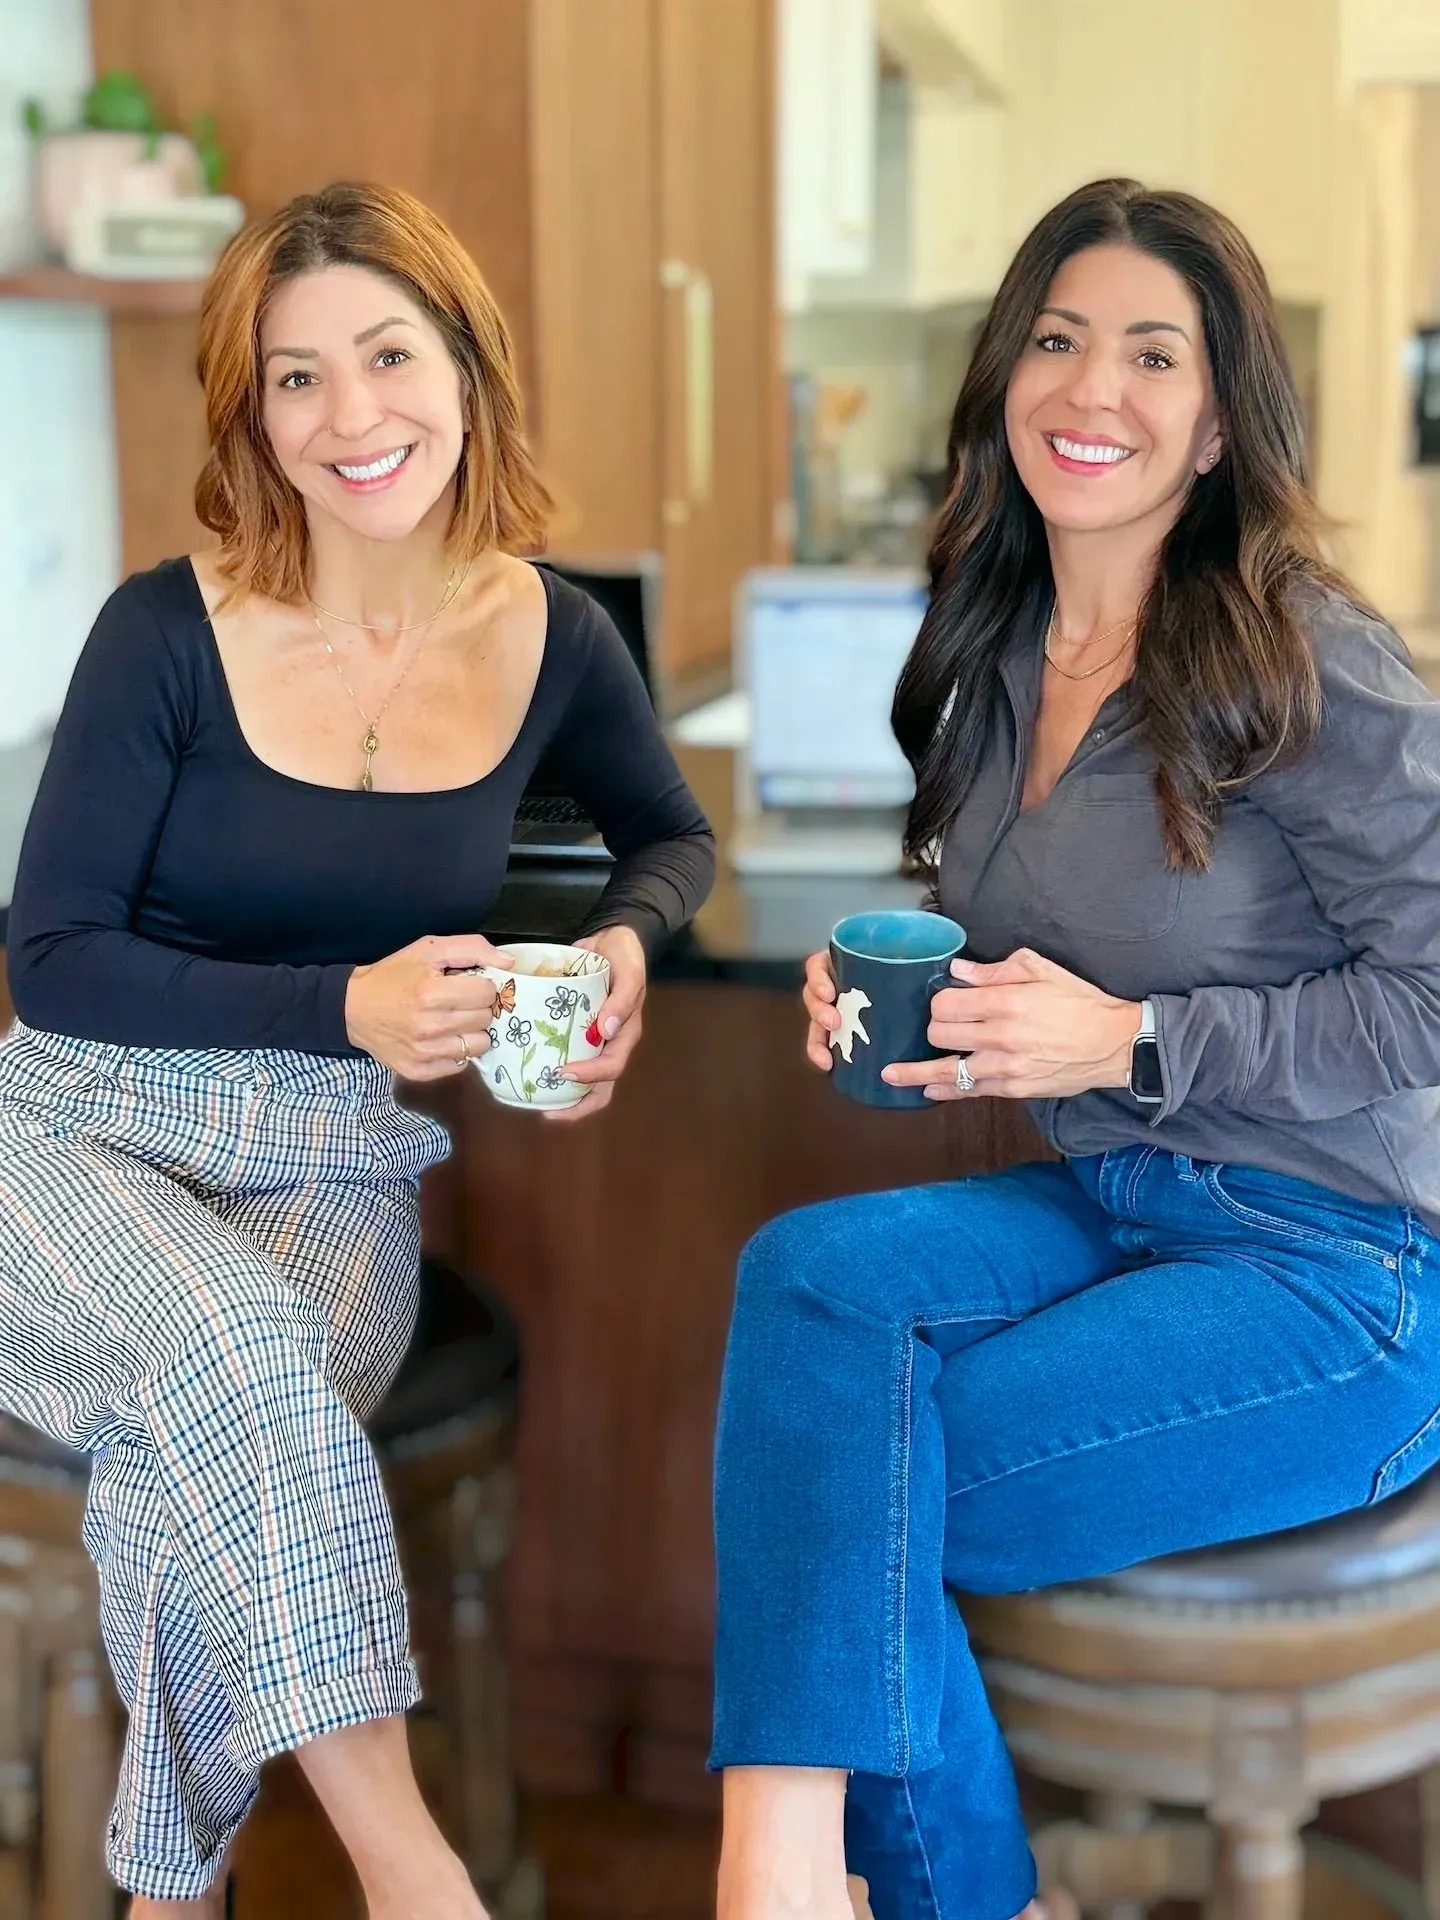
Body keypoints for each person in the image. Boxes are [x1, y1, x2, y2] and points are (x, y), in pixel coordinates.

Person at [710, 175, 1440, 1920]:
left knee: (865, 1485)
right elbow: (1026, 952)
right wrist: (891, 999)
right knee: (806, 1284)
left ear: (1211, 425)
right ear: (1005, 377)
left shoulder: (1306, 658)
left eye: (1150, 353)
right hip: (1118, 1196)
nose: (1089, 389)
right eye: (1056, 338)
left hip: (1340, 1267)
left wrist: (1138, 1036)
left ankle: (824, 1875)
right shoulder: (992, 645)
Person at [0, 181, 714, 1917]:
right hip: (79, 1135)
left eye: (388, 355)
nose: (350, 416)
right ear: (251, 412)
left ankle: (170, 1895)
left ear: (466, 368)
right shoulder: (165, 631)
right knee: (242, 1362)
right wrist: (346, 1006)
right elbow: (50, 962)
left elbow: (671, 836)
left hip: (335, 1155)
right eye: (294, 378)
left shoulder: (552, 634)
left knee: (218, 1432)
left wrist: (622, 948)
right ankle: (419, 1878)